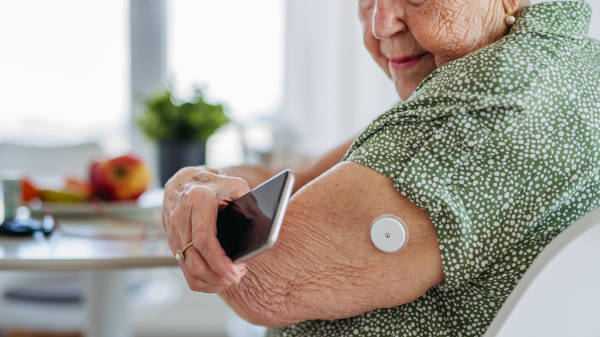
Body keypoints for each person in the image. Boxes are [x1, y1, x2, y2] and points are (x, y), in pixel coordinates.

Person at [162, 0, 600, 335]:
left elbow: (258, 278)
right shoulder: (560, 60)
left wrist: (182, 193)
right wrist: (198, 185)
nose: (380, 24)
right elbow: (301, 174)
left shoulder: (486, 98)